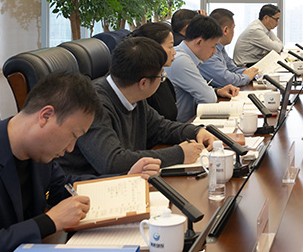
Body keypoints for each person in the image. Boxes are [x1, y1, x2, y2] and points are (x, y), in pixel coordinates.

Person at [0, 72, 159, 252]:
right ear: (46, 116)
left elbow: (64, 187)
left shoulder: (37, 151)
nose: (70, 148)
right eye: (73, 135)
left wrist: (126, 180)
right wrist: (50, 221)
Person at [57, 36, 217, 176]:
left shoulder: (132, 94)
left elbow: (160, 128)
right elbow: (112, 162)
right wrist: (179, 154)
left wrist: (196, 131)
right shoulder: (93, 103)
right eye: (161, 75)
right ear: (143, 83)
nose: (162, 79)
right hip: (90, 190)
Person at [167, 16, 238, 122]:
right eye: (213, 46)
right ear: (199, 42)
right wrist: (212, 93)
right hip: (182, 126)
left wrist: (217, 91)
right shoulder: (181, 60)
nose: (214, 52)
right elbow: (209, 99)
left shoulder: (186, 56)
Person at [199, 8, 260, 87]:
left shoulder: (220, 48)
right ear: (225, 30)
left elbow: (232, 69)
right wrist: (247, 76)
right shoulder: (208, 50)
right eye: (233, 28)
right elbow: (226, 80)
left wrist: (253, 72)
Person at [130, 21, 179, 120]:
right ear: (153, 48)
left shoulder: (164, 80)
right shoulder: (140, 88)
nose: (174, 52)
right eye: (170, 47)